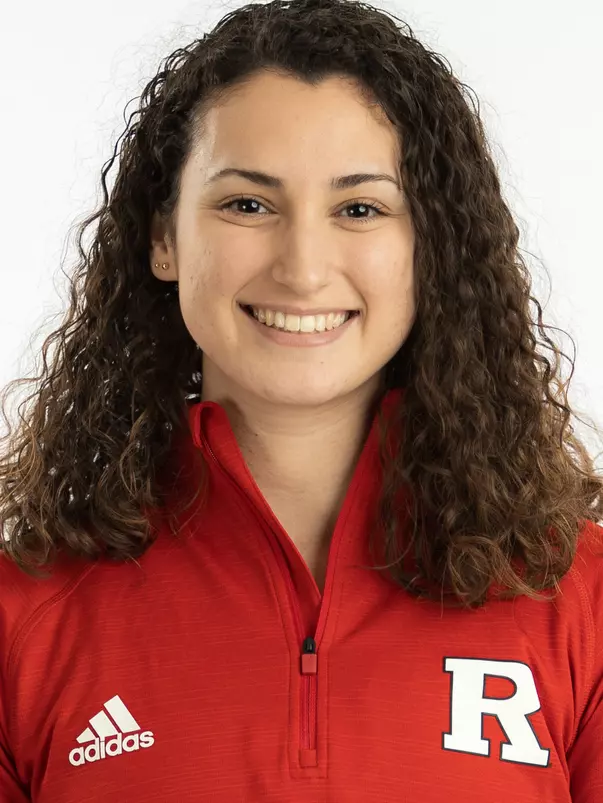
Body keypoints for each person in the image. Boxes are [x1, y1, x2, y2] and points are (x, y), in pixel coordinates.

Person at [0, 0, 602, 800]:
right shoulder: (25, 614)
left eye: (360, 208)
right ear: (164, 239)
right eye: (247, 203)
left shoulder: (577, 600)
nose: (303, 266)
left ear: (430, 248)